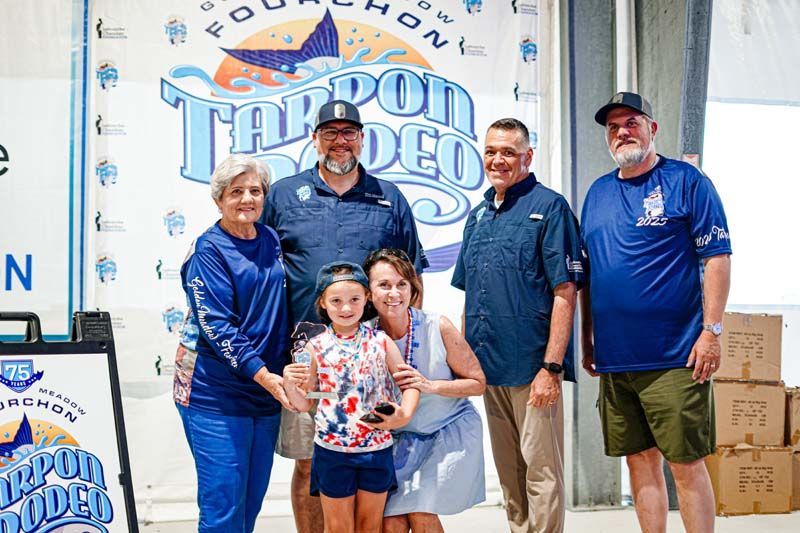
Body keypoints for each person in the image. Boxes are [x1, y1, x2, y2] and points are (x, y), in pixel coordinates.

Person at [261, 99, 428, 533]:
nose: (340, 141)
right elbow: (259, 268)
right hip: (306, 357)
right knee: (308, 465)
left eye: (349, 132)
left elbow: (413, 278)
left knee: (372, 458)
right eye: (330, 132)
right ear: (314, 138)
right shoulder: (282, 195)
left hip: (374, 355)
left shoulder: (389, 198)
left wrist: (408, 345)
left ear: (362, 138)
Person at [580, 92, 731, 533]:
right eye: (613, 127)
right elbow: (593, 275)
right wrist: (589, 337)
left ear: (652, 128)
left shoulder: (686, 181)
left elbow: (717, 258)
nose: (622, 132)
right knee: (638, 461)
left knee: (685, 464)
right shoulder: (598, 192)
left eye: (631, 122)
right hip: (616, 359)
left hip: (676, 357)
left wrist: (712, 331)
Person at [451, 118, 584, 533]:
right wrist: (464, 366)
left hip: (532, 369)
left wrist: (552, 367)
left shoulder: (550, 208)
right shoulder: (477, 217)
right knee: (509, 477)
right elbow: (470, 296)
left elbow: (566, 291)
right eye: (491, 151)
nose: (498, 159)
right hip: (488, 370)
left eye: (509, 152)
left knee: (541, 474)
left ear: (527, 156)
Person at [173, 153, 293, 532]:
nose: (247, 199)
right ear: (218, 198)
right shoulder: (208, 250)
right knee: (223, 507)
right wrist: (264, 374)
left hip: (264, 391)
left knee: (250, 503)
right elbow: (218, 327)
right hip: (215, 392)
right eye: (236, 191)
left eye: (255, 191)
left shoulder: (270, 238)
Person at [282, 261, 420, 533]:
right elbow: (303, 403)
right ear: (322, 303)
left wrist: (404, 414)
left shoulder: (381, 342)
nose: (346, 308)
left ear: (367, 298)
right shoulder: (315, 346)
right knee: (338, 528)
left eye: (354, 299)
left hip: (376, 451)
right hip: (332, 453)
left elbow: (411, 384)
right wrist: (289, 383)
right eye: (336, 300)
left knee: (370, 526)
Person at [363, 248, 487, 533]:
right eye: (384, 285)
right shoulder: (366, 335)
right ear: (368, 292)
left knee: (421, 514)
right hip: (397, 441)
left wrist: (431, 386)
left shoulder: (437, 325)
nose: (394, 293)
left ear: (412, 288)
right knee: (390, 522)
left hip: (447, 432)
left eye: (401, 284)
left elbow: (477, 383)